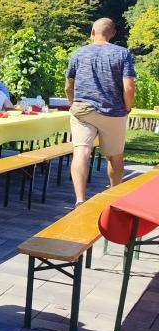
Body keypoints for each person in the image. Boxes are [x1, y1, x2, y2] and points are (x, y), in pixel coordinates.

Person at [66, 18, 136, 203]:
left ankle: (80, 200)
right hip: (113, 111)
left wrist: (72, 104)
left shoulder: (78, 53)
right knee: (115, 156)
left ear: (92, 32)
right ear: (113, 34)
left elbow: (68, 86)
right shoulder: (122, 53)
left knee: (81, 152)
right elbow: (129, 87)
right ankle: (115, 198)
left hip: (83, 111)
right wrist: (127, 107)